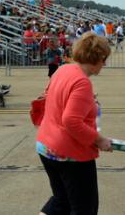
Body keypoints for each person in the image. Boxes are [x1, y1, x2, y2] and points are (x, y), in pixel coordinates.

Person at [36, 32, 113, 215]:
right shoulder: (82, 82)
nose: (105, 64)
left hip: (46, 146)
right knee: (84, 208)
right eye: (104, 59)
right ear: (96, 58)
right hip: (69, 154)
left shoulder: (63, 69)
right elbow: (71, 121)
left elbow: (51, 98)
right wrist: (99, 140)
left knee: (61, 201)